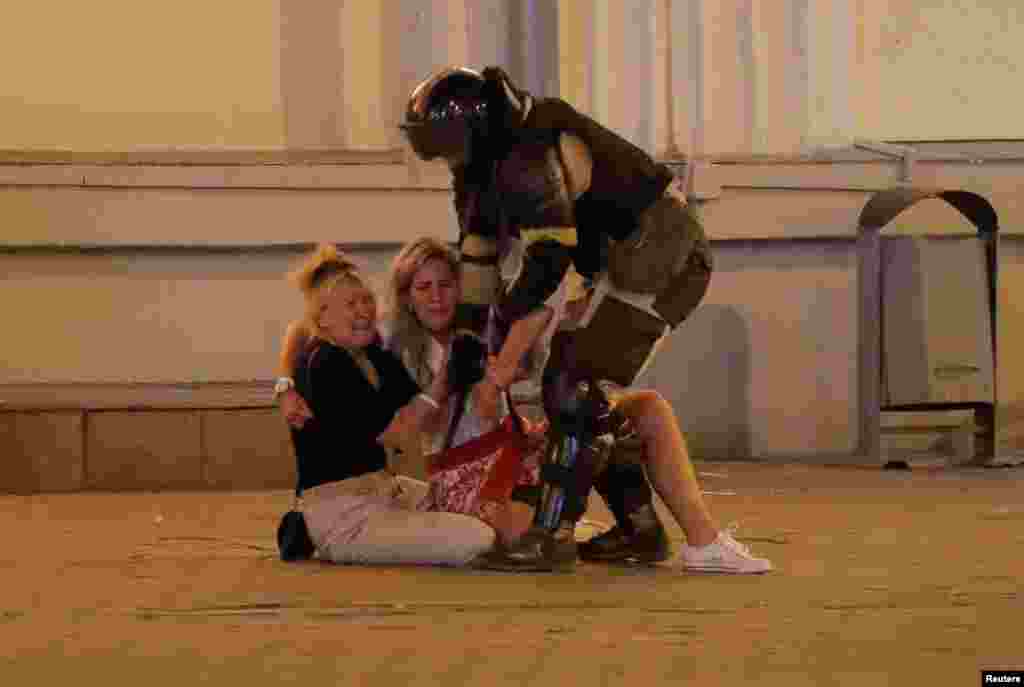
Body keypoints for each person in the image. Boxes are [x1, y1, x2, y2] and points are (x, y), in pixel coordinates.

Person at [278, 238, 771, 574]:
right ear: (406, 297)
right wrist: (285, 384)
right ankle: (618, 531)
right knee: (585, 427)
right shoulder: (396, 349)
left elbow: (537, 315)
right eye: (423, 287)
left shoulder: (477, 332)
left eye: (446, 284)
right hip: (463, 479)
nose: (436, 296)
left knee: (643, 408)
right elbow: (304, 328)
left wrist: (516, 357)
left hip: (507, 451)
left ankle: (693, 539)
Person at [400, 66, 716, 570]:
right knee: (579, 393)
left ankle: (553, 535)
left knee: (574, 383)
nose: (446, 161)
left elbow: (546, 264)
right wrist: (466, 352)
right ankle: (640, 530)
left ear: (473, 134)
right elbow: (478, 266)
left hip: (662, 258)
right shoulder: (480, 169)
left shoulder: (529, 149)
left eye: (448, 148)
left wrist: (499, 360)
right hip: (617, 260)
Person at [277, 243, 495, 567]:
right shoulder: (324, 362)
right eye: (351, 304)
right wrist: (445, 381)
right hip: (345, 514)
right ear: (323, 317)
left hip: (383, 491)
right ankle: (317, 533)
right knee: (478, 538)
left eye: (367, 300)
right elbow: (395, 434)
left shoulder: (373, 355)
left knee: (472, 510)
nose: (364, 310)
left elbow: (420, 411)